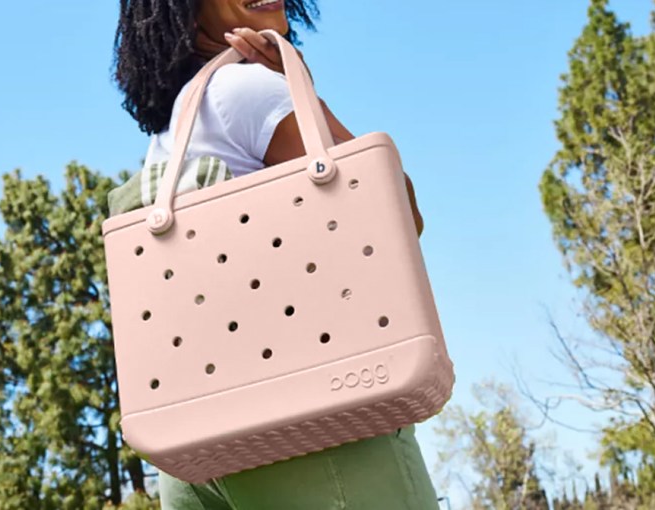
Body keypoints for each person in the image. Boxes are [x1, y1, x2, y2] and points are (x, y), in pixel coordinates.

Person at [112, 1, 436, 508]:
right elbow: (399, 216)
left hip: (194, 448)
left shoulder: (175, 126)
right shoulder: (251, 89)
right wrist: (302, 89)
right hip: (312, 427)